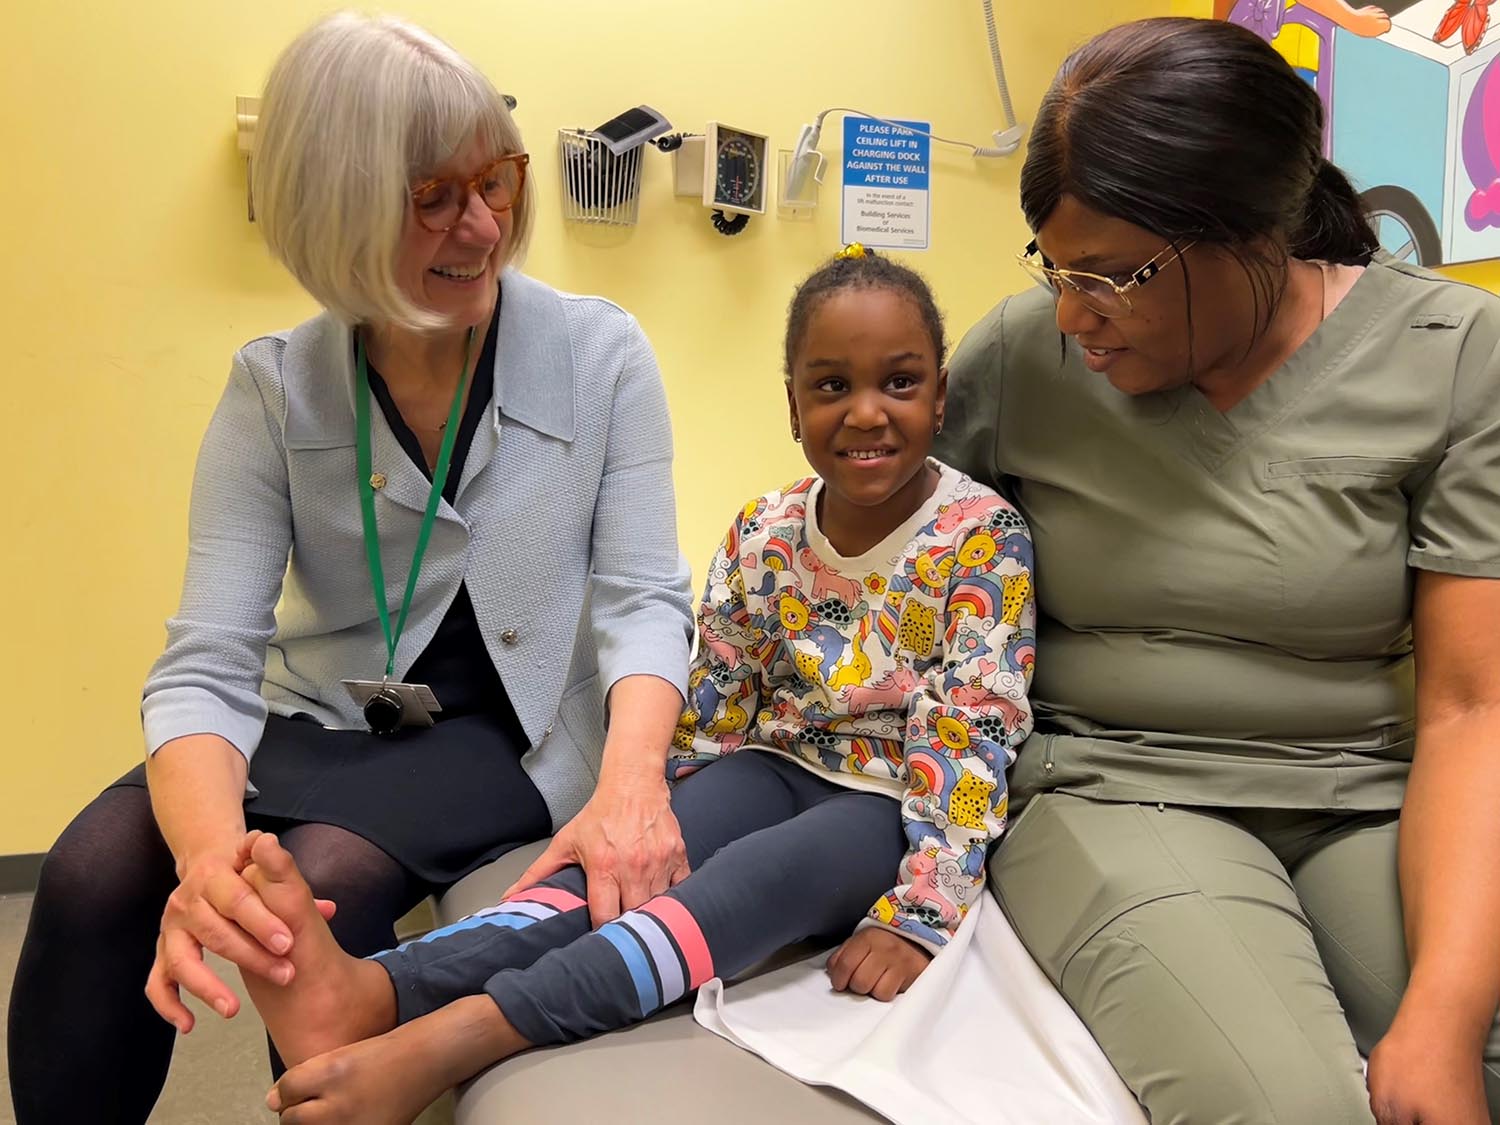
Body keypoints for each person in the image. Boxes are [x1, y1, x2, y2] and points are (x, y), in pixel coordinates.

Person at [6, 14, 695, 1124]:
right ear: (336, 206)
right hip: (326, 714)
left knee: (325, 881)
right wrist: (210, 861)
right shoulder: (274, 388)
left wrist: (632, 784)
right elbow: (207, 661)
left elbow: (644, 598)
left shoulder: (602, 355)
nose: (486, 225)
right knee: (91, 869)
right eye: (434, 197)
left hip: (511, 729)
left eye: (497, 179)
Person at [221, 247, 1036, 1122]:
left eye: (900, 382)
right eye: (832, 385)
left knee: (745, 881)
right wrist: (662, 809)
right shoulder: (766, 529)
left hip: (888, 798)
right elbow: (720, 688)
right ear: (793, 404)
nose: (866, 411)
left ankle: (464, 1034)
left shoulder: (981, 537)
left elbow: (971, 738)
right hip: (770, 764)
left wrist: (917, 914)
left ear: (940, 396)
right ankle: (378, 988)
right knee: (618, 872)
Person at [935, 16, 1500, 1125]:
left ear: (1258, 232)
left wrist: (1442, 1016)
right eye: (1056, 268)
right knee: (1296, 1108)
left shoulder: (1452, 354)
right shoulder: (1018, 360)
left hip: (1367, 797)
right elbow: (883, 574)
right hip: (1117, 785)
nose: (1073, 316)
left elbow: (1472, 707)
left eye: (1114, 277)